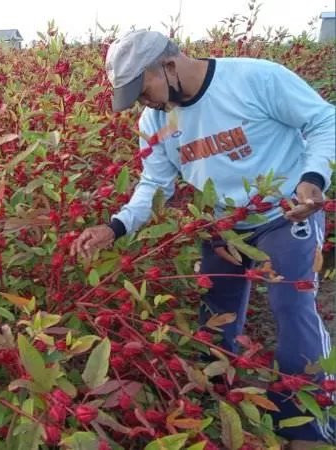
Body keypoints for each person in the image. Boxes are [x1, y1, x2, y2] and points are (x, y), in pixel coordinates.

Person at [70, 29, 335, 448]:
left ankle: (307, 426)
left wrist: (313, 178)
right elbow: (155, 183)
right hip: (221, 222)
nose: (144, 103)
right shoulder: (158, 119)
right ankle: (223, 400)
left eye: (144, 90)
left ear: (170, 66)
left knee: (292, 309)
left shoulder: (255, 79)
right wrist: (115, 226)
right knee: (214, 319)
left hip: (284, 213)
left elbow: (324, 120)